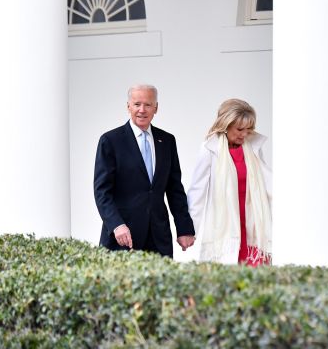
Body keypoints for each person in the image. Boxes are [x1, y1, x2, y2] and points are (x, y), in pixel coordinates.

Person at [94, 84, 195, 256]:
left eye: (148, 104)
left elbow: (174, 188)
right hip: (123, 236)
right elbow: (102, 191)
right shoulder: (110, 141)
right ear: (128, 107)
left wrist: (184, 227)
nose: (142, 110)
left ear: (156, 108)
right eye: (137, 104)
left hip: (159, 236)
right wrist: (116, 225)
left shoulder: (167, 141)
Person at [187, 99, 272, 266]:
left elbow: (265, 185)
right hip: (224, 226)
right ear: (226, 125)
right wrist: (189, 230)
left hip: (253, 225)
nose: (244, 134)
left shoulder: (253, 146)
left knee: (255, 281)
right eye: (240, 129)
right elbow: (198, 191)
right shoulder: (210, 148)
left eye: (248, 129)